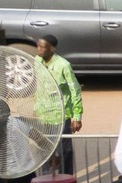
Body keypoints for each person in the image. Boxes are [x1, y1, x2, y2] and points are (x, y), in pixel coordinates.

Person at [34, 35, 84, 173]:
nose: (39, 50)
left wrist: (77, 117)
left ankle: (66, 181)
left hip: (61, 115)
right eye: (37, 46)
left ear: (52, 49)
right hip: (43, 115)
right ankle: (46, 180)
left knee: (64, 150)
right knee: (44, 149)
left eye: (42, 47)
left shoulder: (64, 65)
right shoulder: (36, 61)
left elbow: (75, 90)